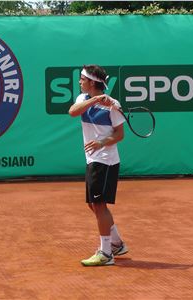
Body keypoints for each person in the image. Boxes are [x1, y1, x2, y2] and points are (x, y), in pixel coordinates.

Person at [69, 65, 128, 266]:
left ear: (92, 82)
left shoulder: (113, 105)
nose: (79, 82)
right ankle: (117, 243)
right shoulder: (83, 99)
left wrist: (102, 142)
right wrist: (95, 99)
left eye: (82, 79)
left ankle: (105, 253)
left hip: (105, 160)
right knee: (93, 204)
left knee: (99, 204)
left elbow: (120, 134)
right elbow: (72, 112)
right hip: (93, 159)